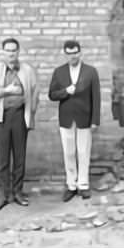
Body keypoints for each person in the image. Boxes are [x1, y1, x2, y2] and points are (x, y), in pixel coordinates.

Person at [0, 37, 39, 210]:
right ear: (3, 52)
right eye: (7, 50)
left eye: (14, 50)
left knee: (20, 157)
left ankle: (18, 192)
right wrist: (6, 91)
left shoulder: (27, 70)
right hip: (2, 117)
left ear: (18, 52)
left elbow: (35, 92)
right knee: (3, 158)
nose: (11, 53)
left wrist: (30, 112)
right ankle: (3, 194)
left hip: (20, 116)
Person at [48, 39, 100, 201]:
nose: (73, 56)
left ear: (80, 52)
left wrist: (95, 120)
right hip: (66, 118)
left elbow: (96, 97)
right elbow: (52, 94)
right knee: (69, 152)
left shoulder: (91, 71)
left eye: (75, 53)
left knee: (83, 152)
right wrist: (65, 91)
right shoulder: (59, 72)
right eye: (69, 54)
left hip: (85, 117)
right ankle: (71, 185)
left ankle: (83, 185)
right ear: (65, 54)